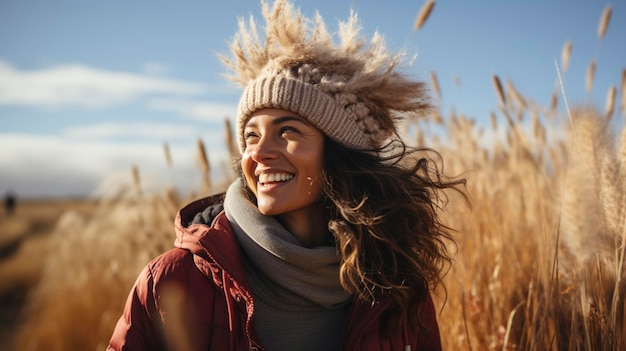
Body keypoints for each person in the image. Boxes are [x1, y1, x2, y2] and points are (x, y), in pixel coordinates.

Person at [107, 0, 465, 350]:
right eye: (251, 136)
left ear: (338, 152)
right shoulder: (172, 280)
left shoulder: (396, 289)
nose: (258, 153)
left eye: (288, 131)